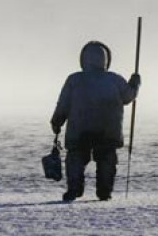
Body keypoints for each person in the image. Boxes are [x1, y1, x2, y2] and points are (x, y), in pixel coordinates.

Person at [50, 41, 141, 202]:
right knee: (106, 160)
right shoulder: (115, 80)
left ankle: (74, 190)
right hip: (108, 130)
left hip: (79, 130)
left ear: (83, 59)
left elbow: (63, 103)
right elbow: (128, 97)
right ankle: (104, 192)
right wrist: (134, 83)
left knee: (76, 158)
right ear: (106, 59)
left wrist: (57, 122)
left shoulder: (74, 80)